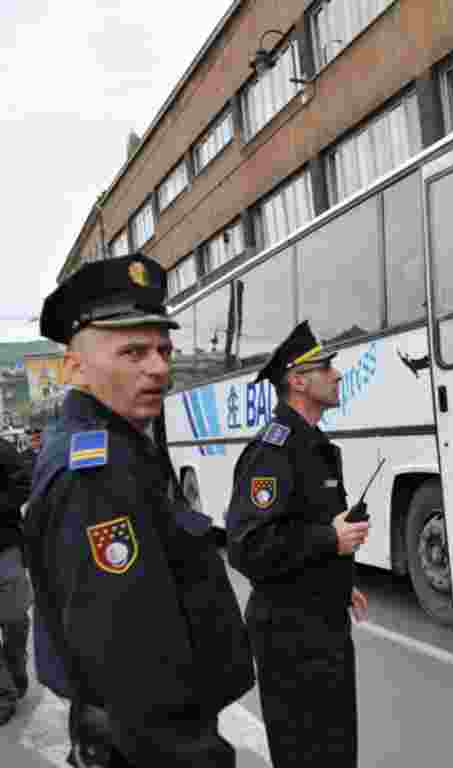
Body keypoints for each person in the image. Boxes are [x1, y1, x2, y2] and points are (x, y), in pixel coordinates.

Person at [23, 254, 254, 767]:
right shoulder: (98, 473)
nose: (159, 367)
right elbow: (132, 660)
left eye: (163, 349)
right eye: (132, 351)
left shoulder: (123, 445)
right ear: (75, 366)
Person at [226, 320, 371, 768]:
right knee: (307, 754)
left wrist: (336, 581)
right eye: (327, 367)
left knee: (335, 750)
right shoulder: (274, 451)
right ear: (298, 380)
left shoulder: (311, 445)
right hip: (291, 637)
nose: (338, 374)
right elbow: (248, 545)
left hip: (319, 625)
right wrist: (331, 539)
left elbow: (298, 528)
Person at [0, 434, 31, 726]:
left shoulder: (2, 448)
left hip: (5, 548)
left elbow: (23, 482)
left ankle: (16, 668)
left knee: (15, 620)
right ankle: (3, 695)